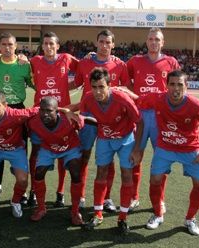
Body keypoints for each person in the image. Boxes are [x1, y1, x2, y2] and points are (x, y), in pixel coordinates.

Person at [132, 70, 199, 236]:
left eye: (180, 84)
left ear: (186, 87)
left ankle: (190, 219)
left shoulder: (196, 105)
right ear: (166, 85)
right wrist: (118, 90)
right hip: (165, 148)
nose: (175, 88)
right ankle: (157, 214)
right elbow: (136, 100)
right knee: (155, 180)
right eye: (172, 84)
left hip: (190, 149)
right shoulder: (157, 98)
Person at [74, 29, 130, 212]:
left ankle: (106, 198)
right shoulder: (84, 63)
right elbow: (76, 84)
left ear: (113, 45)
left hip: (111, 121)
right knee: (84, 157)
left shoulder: (120, 65)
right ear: (96, 43)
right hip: (89, 119)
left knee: (109, 162)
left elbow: (126, 90)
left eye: (108, 42)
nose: (104, 46)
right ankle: (80, 196)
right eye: (101, 42)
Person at [126, 27, 181, 212]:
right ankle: (134, 196)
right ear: (146, 41)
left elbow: (177, 87)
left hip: (161, 117)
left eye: (157, 39)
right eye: (150, 39)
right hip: (140, 116)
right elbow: (123, 77)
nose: (153, 42)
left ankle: (160, 199)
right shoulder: (135, 61)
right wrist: (136, 97)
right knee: (135, 157)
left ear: (162, 42)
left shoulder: (171, 62)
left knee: (162, 159)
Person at [81, 68, 140, 235]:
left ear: (109, 85)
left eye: (101, 87)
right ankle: (98, 214)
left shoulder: (122, 98)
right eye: (94, 87)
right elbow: (85, 118)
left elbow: (139, 121)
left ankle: (122, 217)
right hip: (104, 139)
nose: (98, 91)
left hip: (126, 140)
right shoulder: (87, 98)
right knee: (101, 173)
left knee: (126, 174)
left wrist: (137, 148)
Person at [28, 31, 80, 208]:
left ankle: (60, 192)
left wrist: (68, 85)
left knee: (62, 152)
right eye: (46, 43)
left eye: (52, 43)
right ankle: (34, 190)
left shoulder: (66, 58)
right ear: (42, 46)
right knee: (35, 151)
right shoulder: (34, 61)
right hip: (40, 114)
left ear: (58, 46)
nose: (49, 46)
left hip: (62, 114)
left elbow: (84, 70)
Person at [0, 32, 33, 203]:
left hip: (18, 111)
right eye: (4, 44)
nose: (7, 48)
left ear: (16, 46)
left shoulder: (24, 65)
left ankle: (21, 190)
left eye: (10, 45)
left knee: (20, 151)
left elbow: (35, 83)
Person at [28, 97, 87, 225]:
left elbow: (86, 121)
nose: (45, 114)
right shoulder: (34, 122)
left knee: (76, 173)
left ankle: (75, 212)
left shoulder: (69, 119)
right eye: (42, 110)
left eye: (49, 111)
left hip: (70, 147)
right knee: (38, 172)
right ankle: (41, 208)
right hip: (48, 147)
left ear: (57, 111)